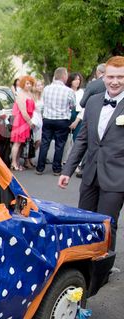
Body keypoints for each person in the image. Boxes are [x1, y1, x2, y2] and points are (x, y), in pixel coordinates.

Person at [58, 56, 124, 249]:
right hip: (90, 174)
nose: (115, 81)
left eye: (120, 77)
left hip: (116, 178)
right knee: (84, 220)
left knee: (107, 224)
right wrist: (66, 170)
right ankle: (85, 261)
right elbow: (83, 139)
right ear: (103, 77)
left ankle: (103, 269)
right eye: (111, 76)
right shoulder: (93, 102)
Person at [35, 67, 75, 175]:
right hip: (62, 120)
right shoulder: (69, 91)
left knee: (45, 143)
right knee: (60, 144)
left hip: (48, 119)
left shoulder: (46, 89)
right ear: (64, 76)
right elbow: (72, 105)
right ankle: (56, 169)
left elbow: (43, 103)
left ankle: (40, 168)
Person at [75, 64, 106, 178]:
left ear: (98, 72)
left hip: (93, 117)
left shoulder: (93, 84)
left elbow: (82, 103)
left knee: (89, 142)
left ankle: (84, 168)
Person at [9, 75, 36, 171]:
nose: (29, 85)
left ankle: (16, 162)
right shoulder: (20, 95)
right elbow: (23, 111)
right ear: (23, 84)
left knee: (21, 143)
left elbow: (34, 109)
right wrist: (30, 122)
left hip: (27, 121)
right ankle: (13, 163)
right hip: (21, 121)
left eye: (30, 83)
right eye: (27, 83)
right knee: (17, 143)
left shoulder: (30, 94)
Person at [67, 72, 85, 143]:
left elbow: (83, 108)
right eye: (75, 79)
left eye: (79, 79)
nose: (77, 81)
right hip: (66, 117)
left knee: (76, 140)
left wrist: (76, 121)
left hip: (78, 117)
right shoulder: (66, 91)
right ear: (71, 81)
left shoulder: (81, 92)